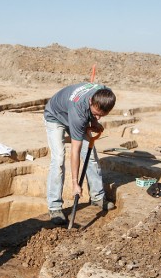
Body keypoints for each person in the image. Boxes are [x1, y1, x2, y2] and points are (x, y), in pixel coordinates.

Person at [43, 83, 117, 225]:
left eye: (102, 115)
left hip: (75, 113)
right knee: (58, 159)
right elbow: (75, 151)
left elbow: (95, 113)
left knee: (91, 157)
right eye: (96, 114)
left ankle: (97, 198)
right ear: (90, 101)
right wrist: (75, 184)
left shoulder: (105, 94)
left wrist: (94, 120)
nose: (99, 118)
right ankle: (54, 207)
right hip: (55, 116)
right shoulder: (79, 113)